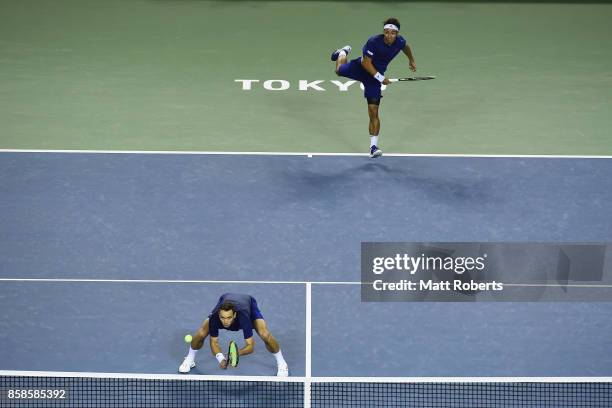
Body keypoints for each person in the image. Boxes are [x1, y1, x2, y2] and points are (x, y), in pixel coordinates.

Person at [331, 17, 417, 158]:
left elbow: (406, 47)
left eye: (392, 33)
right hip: (361, 68)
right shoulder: (373, 42)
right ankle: (342, 53)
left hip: (374, 80)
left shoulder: (400, 42)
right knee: (339, 70)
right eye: (386, 32)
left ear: (397, 34)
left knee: (373, 110)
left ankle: (373, 147)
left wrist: (411, 60)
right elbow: (366, 63)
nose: (389, 35)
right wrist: (381, 78)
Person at [178, 293, 289, 376]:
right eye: (222, 317)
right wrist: (221, 359)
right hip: (225, 297)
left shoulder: (244, 318)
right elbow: (214, 342)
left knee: (265, 334)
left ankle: (282, 362)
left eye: (229, 318)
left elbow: (250, 347)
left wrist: (236, 353)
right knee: (201, 333)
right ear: (219, 314)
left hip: (249, 303)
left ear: (235, 315)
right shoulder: (215, 319)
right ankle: (189, 359)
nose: (225, 321)